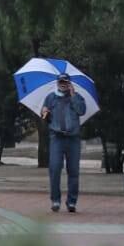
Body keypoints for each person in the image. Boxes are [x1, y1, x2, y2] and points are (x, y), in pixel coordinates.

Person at [41, 74, 87, 212]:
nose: (63, 84)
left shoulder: (77, 97)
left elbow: (81, 110)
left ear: (69, 83)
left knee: (73, 171)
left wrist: (73, 96)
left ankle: (71, 202)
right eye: (61, 81)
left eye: (65, 82)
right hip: (56, 138)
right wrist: (43, 112)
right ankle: (55, 200)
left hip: (73, 138)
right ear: (57, 82)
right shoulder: (50, 97)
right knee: (54, 169)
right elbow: (45, 117)